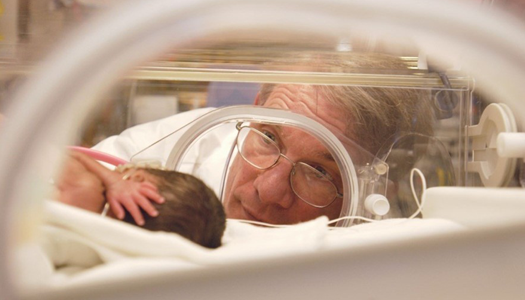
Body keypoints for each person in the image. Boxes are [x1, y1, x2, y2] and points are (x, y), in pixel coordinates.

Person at [94, 53, 434, 225]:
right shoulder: (181, 147)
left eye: (319, 172)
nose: (269, 190)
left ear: (376, 188)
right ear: (255, 109)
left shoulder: (381, 246)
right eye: (269, 137)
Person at [55, 150, 226, 249]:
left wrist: (110, 177)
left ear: (136, 178)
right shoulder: (92, 239)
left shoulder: (88, 188)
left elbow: (65, 154)